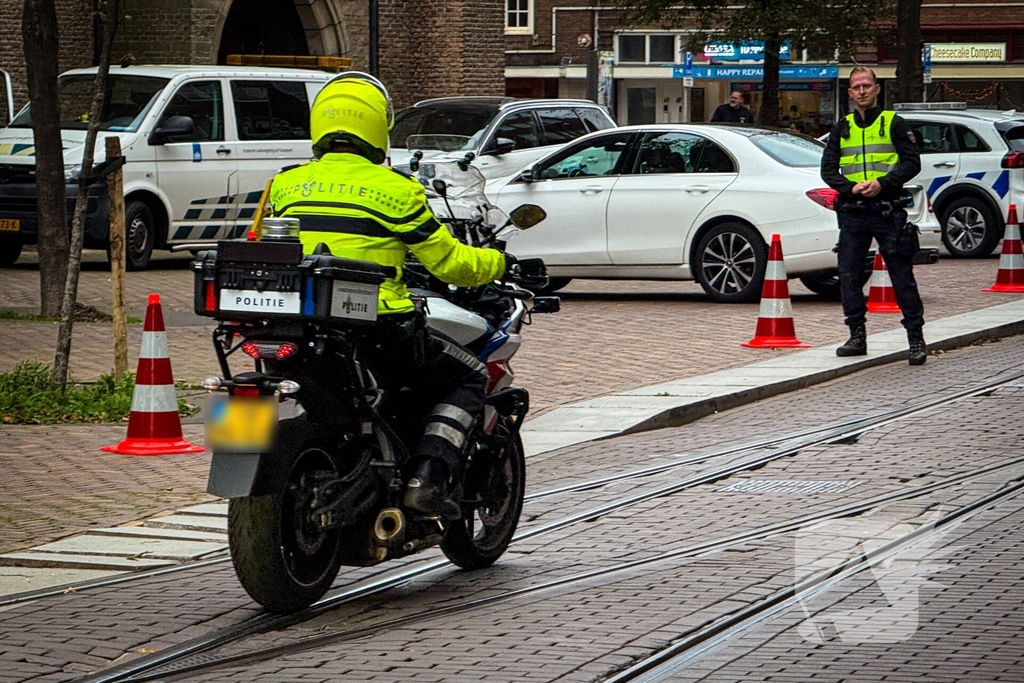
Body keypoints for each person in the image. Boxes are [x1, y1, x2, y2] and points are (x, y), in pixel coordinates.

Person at [268, 72, 512, 518]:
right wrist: (498, 263)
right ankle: (427, 479)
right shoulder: (397, 191)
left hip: (296, 323)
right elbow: (450, 264)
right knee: (469, 376)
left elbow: (263, 245)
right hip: (377, 328)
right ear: (378, 126)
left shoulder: (284, 185)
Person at [820, 66, 926, 365]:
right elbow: (827, 170)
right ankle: (856, 336)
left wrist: (883, 183)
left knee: (901, 277)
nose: (862, 91)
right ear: (850, 92)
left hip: (887, 210)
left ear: (877, 89)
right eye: (856, 87)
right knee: (849, 276)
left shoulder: (893, 122)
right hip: (855, 211)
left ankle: (915, 338)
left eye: (867, 85)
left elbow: (911, 162)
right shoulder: (843, 127)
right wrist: (851, 188)